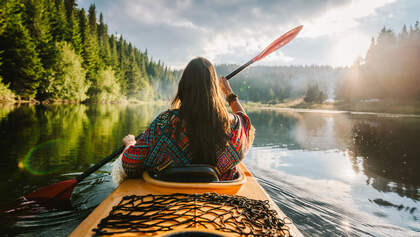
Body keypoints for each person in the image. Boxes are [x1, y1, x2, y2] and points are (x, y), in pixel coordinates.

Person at [120, 57, 254, 181]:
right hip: (218, 195)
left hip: (169, 196)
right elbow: (245, 123)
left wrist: (129, 144)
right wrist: (229, 94)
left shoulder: (165, 121)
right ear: (214, 90)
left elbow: (129, 164)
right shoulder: (231, 124)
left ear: (183, 86)